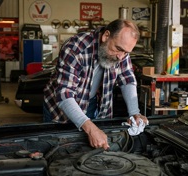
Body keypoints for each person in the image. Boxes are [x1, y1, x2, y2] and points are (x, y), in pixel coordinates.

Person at [43, 19, 148, 150]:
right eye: (119, 49)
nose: (121, 57)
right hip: (60, 109)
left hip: (91, 102)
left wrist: (134, 112)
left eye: (126, 52)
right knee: (60, 149)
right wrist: (91, 129)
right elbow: (64, 95)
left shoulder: (121, 52)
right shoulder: (75, 48)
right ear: (106, 36)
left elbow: (127, 78)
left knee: (89, 148)